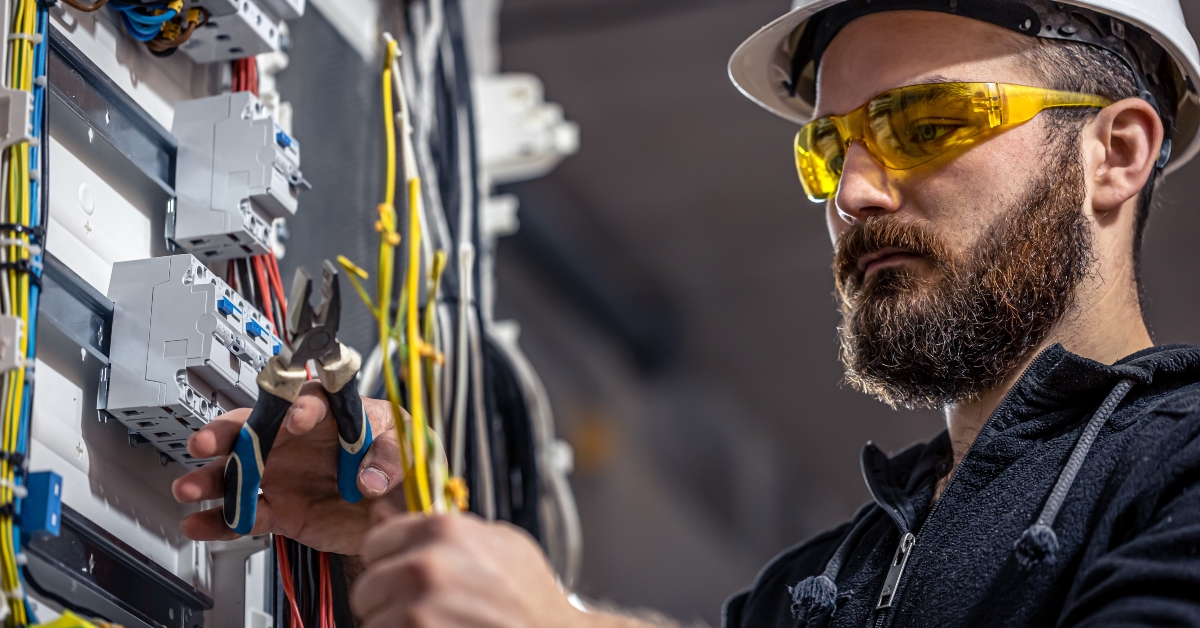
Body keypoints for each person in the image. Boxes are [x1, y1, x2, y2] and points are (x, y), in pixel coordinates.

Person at [171, 0, 1200, 625]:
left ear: (1115, 153)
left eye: (925, 123)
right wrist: (402, 556)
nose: (854, 192)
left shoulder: (1177, 475)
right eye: (829, 148)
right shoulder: (820, 585)